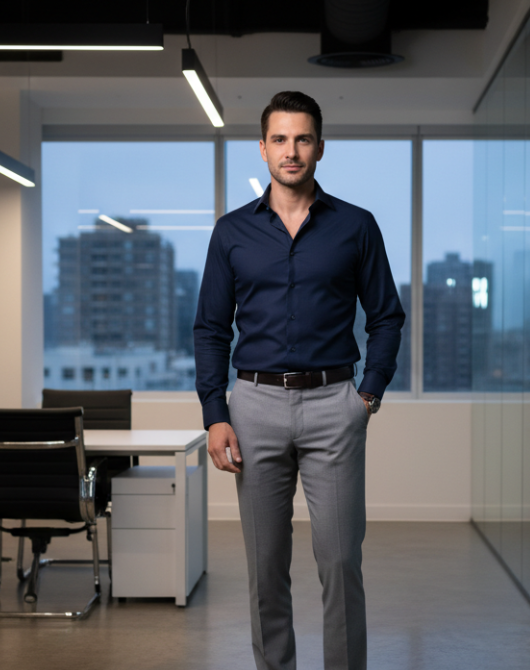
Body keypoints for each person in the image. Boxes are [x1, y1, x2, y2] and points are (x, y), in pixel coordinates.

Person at [193, 91, 405, 670]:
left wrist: (368, 395)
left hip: (335, 405)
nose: (292, 151)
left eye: (303, 138)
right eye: (280, 140)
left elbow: (387, 316)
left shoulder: (356, 227)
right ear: (262, 149)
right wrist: (216, 414)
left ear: (319, 147)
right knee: (265, 568)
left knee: (339, 562)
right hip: (254, 406)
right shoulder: (232, 232)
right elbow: (210, 328)